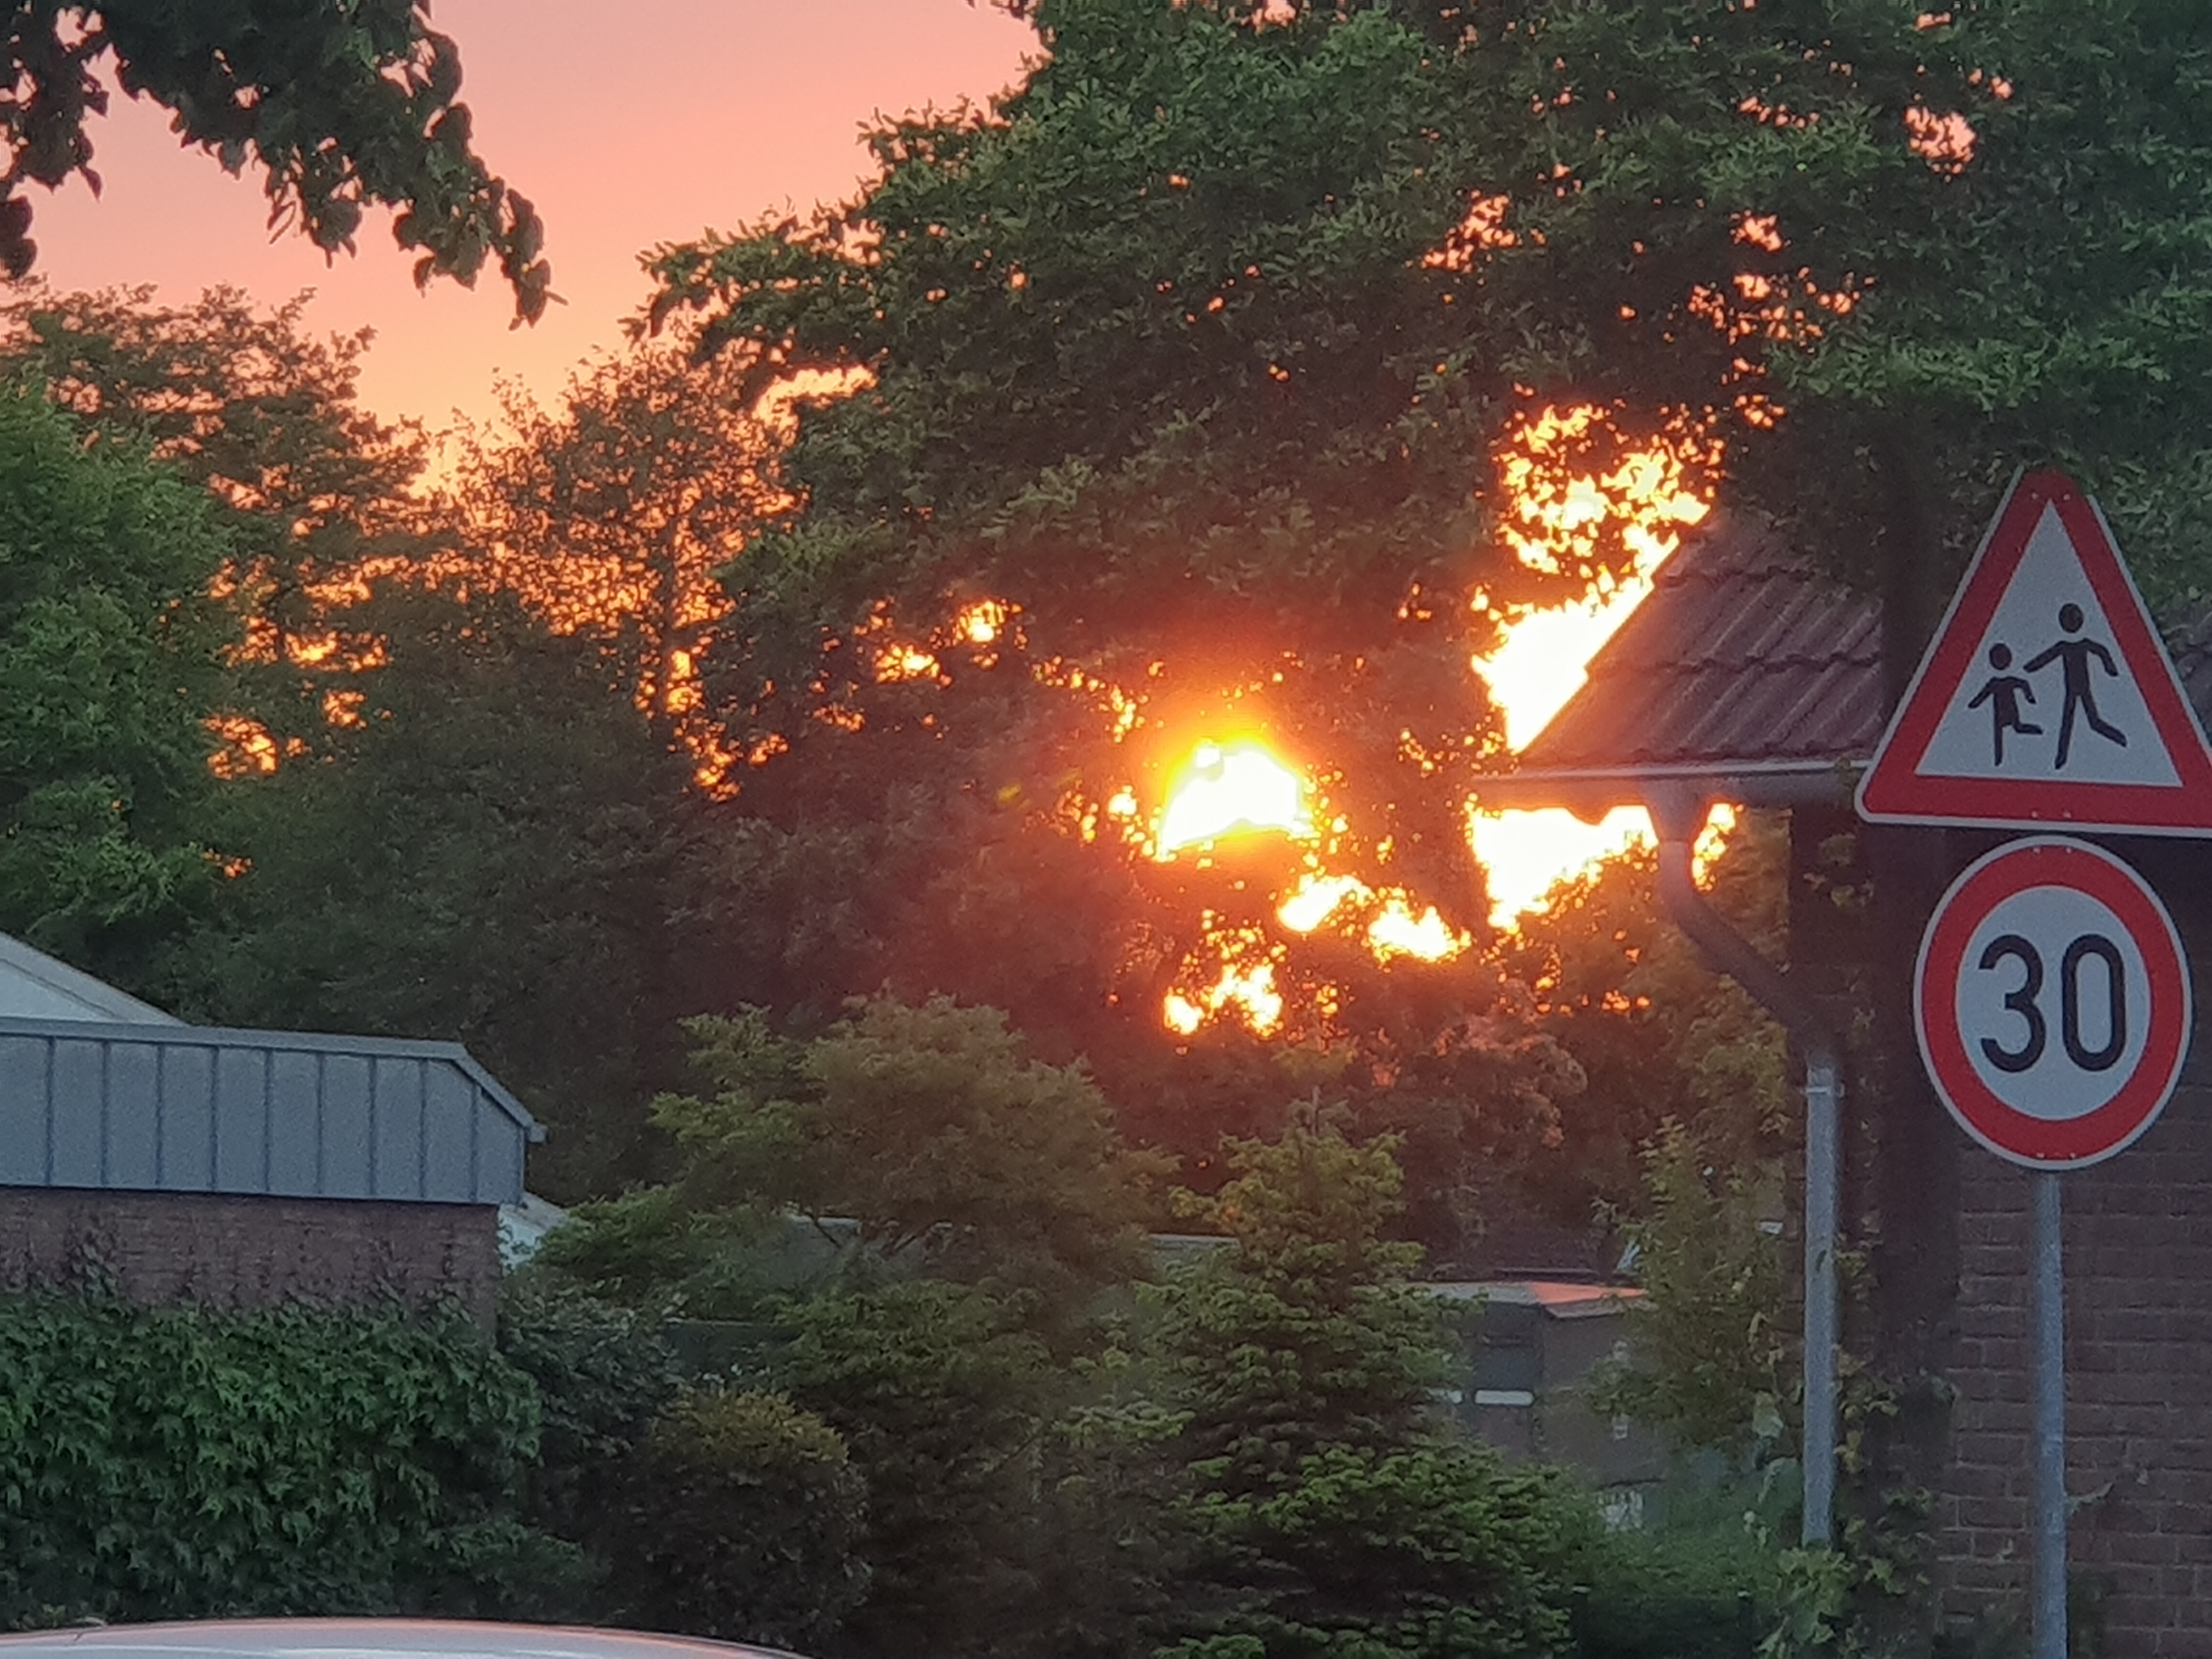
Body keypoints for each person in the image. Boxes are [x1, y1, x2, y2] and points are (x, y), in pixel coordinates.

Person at [2023, 603, 2128, 769]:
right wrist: (2029, 668)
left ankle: (2121, 739)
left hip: (2082, 689)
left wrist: (2111, 669)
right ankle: (2061, 759)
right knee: (2071, 722)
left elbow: (2101, 651)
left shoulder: (2081, 645)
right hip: (2072, 690)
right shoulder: (2065, 647)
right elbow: (2045, 658)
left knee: (2090, 722)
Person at [1965, 642, 2041, 766]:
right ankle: (1998, 761)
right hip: (2001, 714)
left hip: (2010, 712)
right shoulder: (1995, 683)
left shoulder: (2001, 682)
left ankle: (2038, 731)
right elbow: (1983, 695)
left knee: (2016, 728)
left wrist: (2030, 698)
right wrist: (1973, 705)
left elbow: (2023, 684)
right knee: (2000, 735)